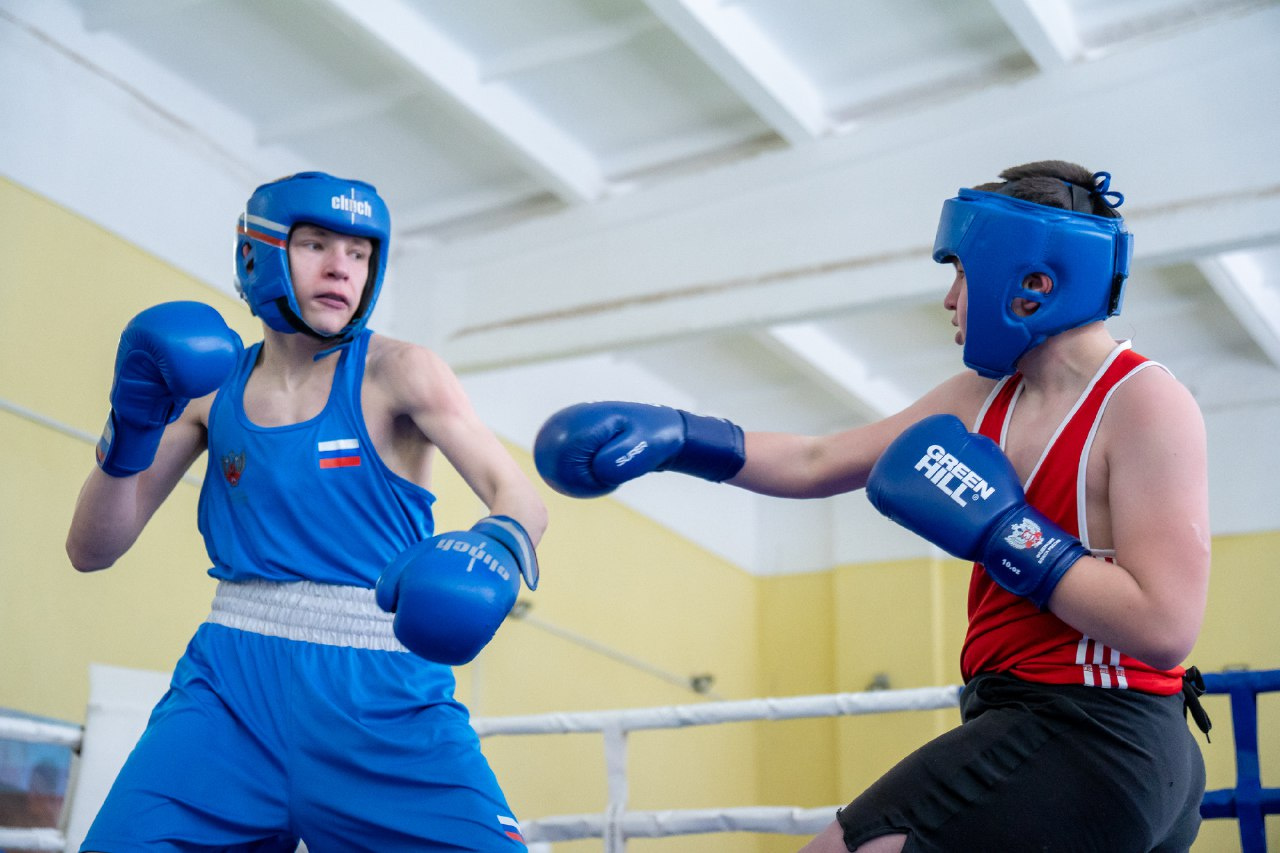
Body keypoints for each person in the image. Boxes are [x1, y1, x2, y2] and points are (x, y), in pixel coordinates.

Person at [533, 161, 1211, 852]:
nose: (950, 299)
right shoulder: (981, 400)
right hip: (1039, 724)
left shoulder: (1143, 401)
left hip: (1098, 727)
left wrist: (1008, 534)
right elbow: (817, 460)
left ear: (1032, 283)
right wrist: (680, 436)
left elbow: (1165, 625)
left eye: (962, 273)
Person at [65, 171, 547, 852]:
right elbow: (91, 549)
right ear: (257, 253)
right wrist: (131, 427)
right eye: (316, 244)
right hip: (228, 690)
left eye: (359, 253)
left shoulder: (398, 371)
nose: (340, 268)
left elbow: (520, 495)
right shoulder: (210, 387)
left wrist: (494, 544)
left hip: (381, 694)